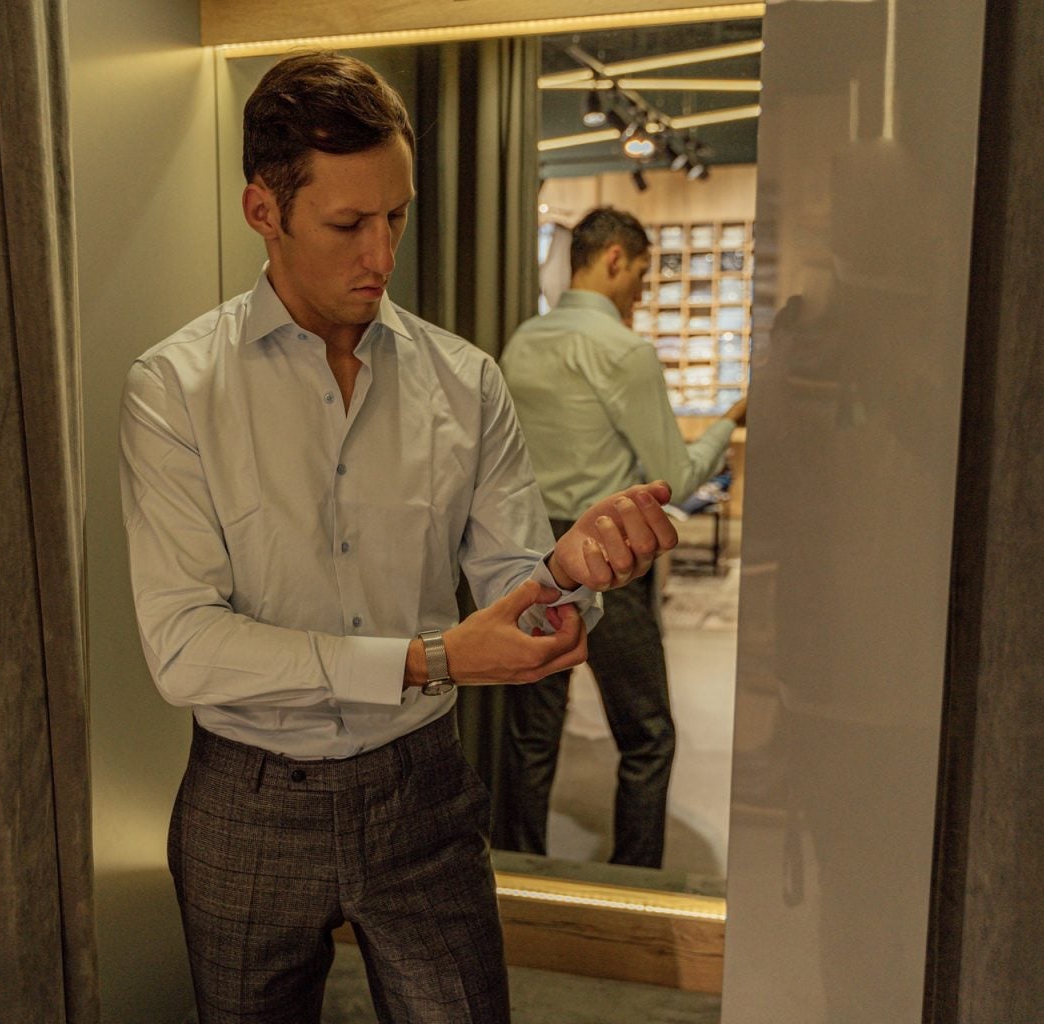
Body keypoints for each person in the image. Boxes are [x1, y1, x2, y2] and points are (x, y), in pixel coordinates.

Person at [118, 55, 679, 1024]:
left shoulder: (465, 381)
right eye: (348, 224)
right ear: (263, 210)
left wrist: (566, 569)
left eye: (397, 216)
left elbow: (518, 598)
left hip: (420, 791)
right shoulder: (175, 389)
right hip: (247, 802)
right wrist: (429, 659)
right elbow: (184, 648)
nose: (381, 253)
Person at [495, 207, 747, 869]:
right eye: (640, 273)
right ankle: (636, 883)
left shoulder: (522, 341)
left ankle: (522, 877)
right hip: (606, 555)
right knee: (647, 735)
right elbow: (675, 476)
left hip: (529, 553)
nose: (641, 290)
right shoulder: (623, 350)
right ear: (613, 259)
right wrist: (729, 421)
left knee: (531, 734)